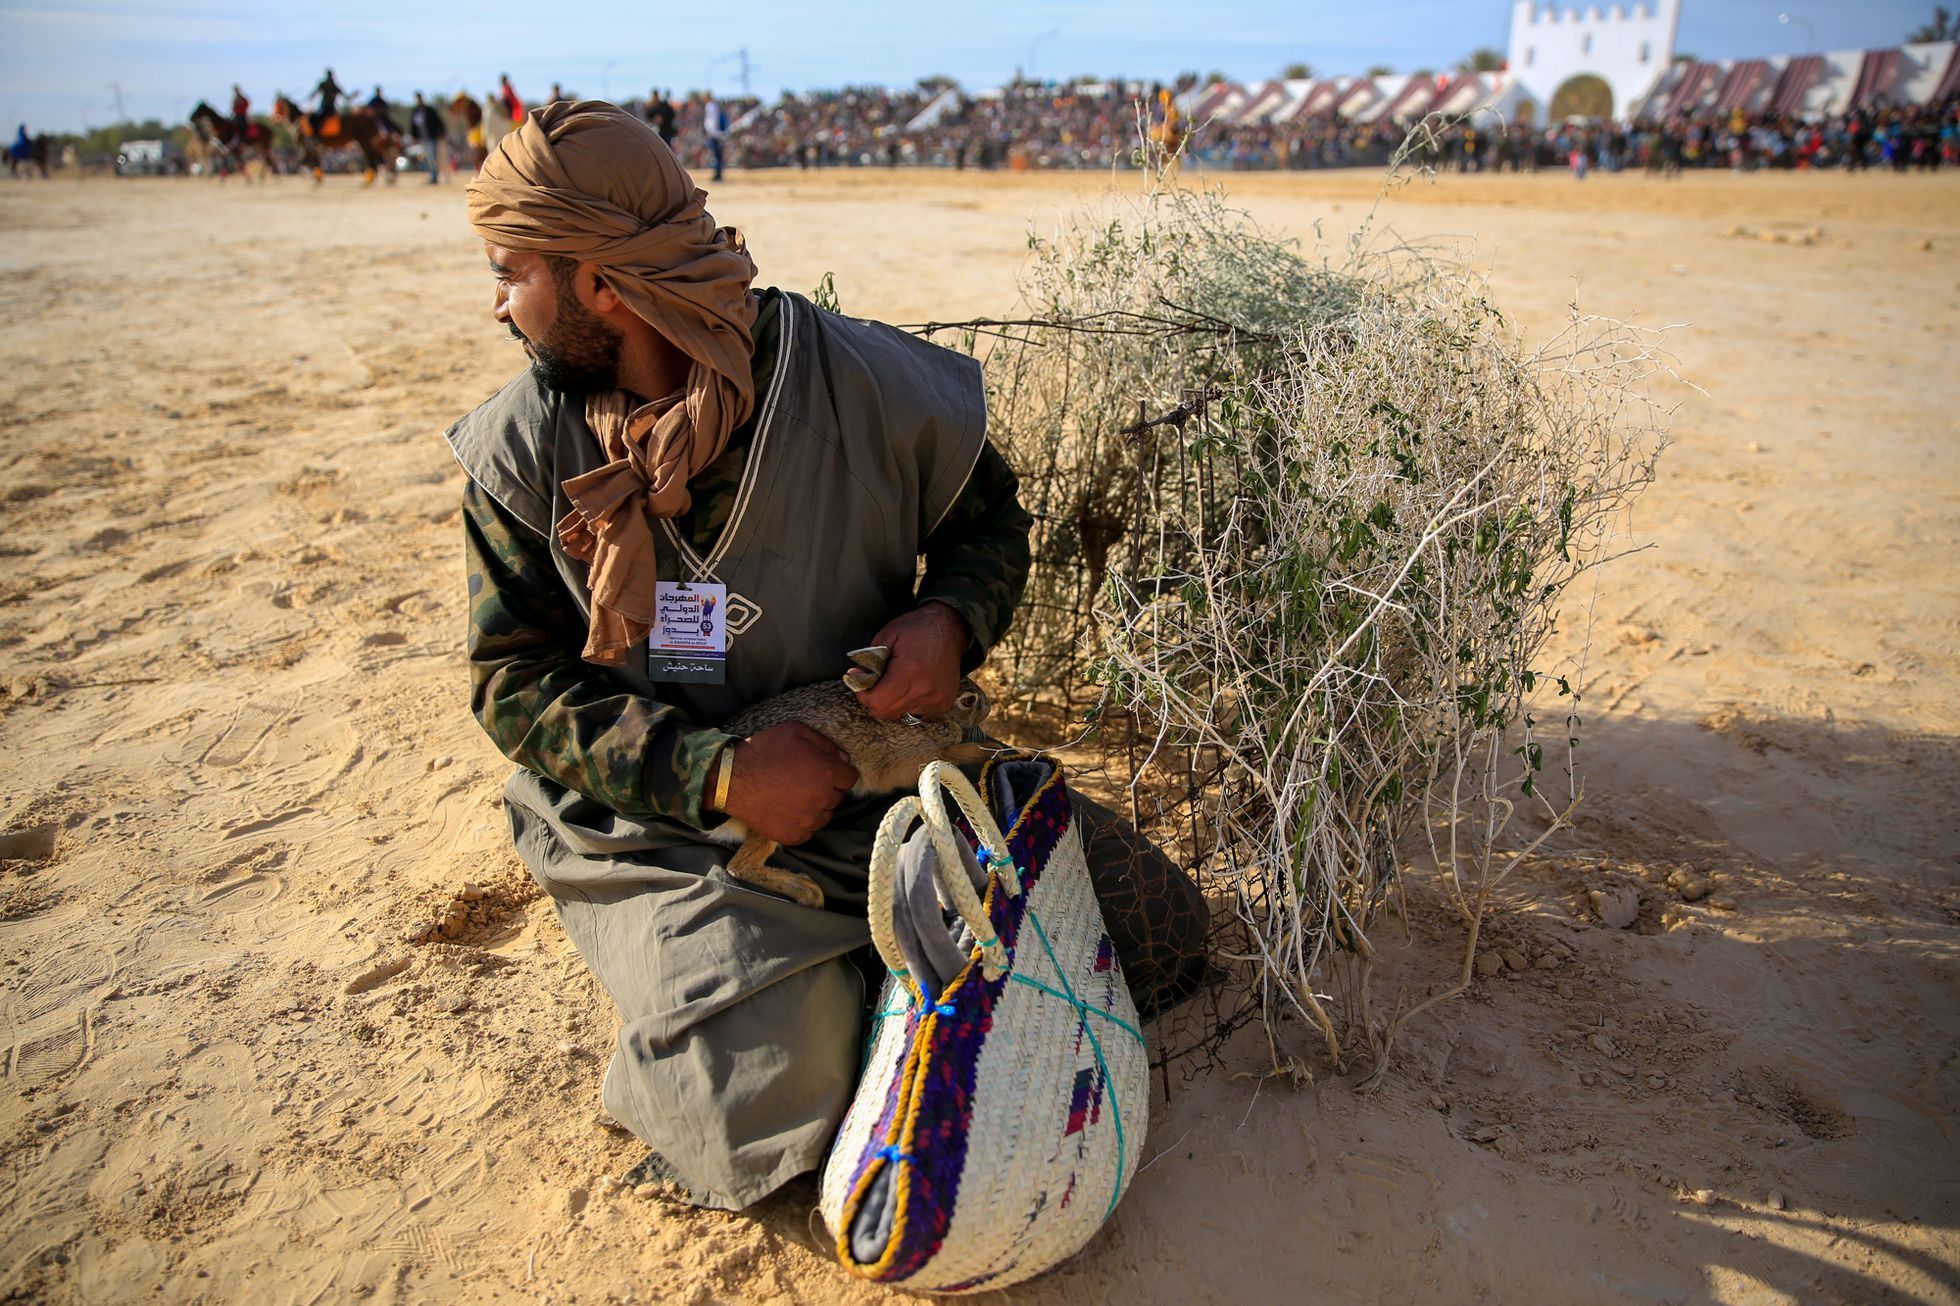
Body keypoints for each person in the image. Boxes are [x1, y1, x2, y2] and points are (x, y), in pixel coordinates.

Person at [446, 101, 1207, 1211]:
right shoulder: (520, 453)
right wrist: (717, 775)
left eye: (512, 272)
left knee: (1161, 941)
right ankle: (743, 991)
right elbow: (512, 679)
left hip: (892, 779)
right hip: (670, 832)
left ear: (602, 283)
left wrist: (949, 620)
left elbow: (986, 524)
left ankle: (852, 963)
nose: (497, 302)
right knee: (779, 1102)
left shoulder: (858, 381)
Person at [410, 92, 446, 182]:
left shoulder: (429, 110)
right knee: (426, 157)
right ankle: (431, 175)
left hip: (431, 137)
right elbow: (413, 125)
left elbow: (438, 122)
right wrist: (414, 137)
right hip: (422, 138)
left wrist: (441, 133)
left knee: (431, 156)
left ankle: (434, 176)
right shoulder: (416, 111)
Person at [311, 67, 344, 131]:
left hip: (328, 107)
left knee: (314, 119)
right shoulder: (332, 85)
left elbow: (315, 93)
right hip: (328, 107)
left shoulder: (329, 85)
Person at [702, 92, 725, 181]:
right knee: (717, 155)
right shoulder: (713, 105)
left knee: (716, 155)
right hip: (716, 133)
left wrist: (710, 132)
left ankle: (718, 174)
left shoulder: (710, 106)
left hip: (714, 133)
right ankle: (717, 174)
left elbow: (712, 121)